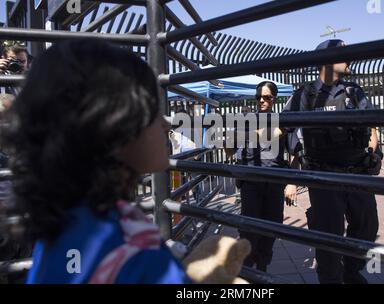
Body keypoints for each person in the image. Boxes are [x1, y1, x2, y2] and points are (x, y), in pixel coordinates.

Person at [1, 39, 190, 284]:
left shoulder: (63, 223)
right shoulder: (132, 245)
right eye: (153, 109)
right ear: (113, 126)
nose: (167, 123)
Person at [283, 39, 381, 284]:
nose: (349, 57)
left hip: (358, 174)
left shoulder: (353, 91)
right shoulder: (306, 94)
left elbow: (373, 125)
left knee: (367, 228)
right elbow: (283, 128)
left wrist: (371, 153)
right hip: (324, 178)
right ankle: (331, 279)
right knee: (328, 236)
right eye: (343, 53)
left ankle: (351, 271)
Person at [225, 81, 292, 272]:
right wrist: (230, 138)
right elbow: (230, 151)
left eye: (267, 97)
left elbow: (294, 150)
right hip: (251, 182)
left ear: (275, 98)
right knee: (249, 228)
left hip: (274, 182)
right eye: (259, 97)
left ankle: (262, 267)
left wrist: (291, 183)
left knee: (272, 226)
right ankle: (246, 268)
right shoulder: (245, 120)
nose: (262, 101)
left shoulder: (283, 121)